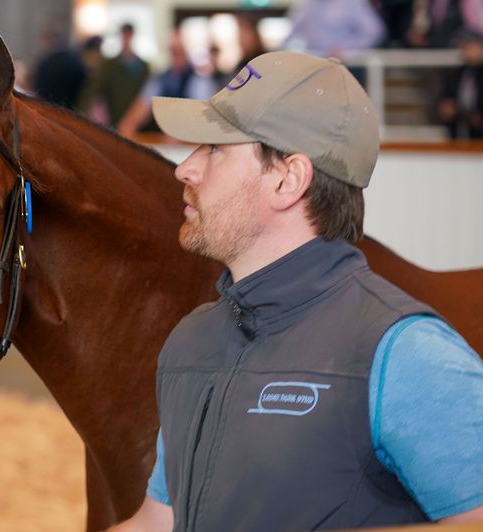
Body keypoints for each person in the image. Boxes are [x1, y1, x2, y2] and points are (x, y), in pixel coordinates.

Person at [111, 51, 483, 530]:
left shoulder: (403, 352)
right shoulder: (190, 341)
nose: (186, 169)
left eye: (216, 149)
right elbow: (158, 522)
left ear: (288, 180)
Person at [77, 23, 150, 127]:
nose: (126, 39)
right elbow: (94, 89)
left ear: (132, 36)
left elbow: (146, 95)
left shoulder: (143, 66)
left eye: (129, 35)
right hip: (114, 121)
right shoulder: (110, 64)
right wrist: (83, 113)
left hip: (136, 123)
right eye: (124, 35)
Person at [437, 31, 483, 138]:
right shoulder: (457, 75)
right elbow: (445, 102)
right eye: (463, 47)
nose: (465, 51)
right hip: (458, 133)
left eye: (469, 46)